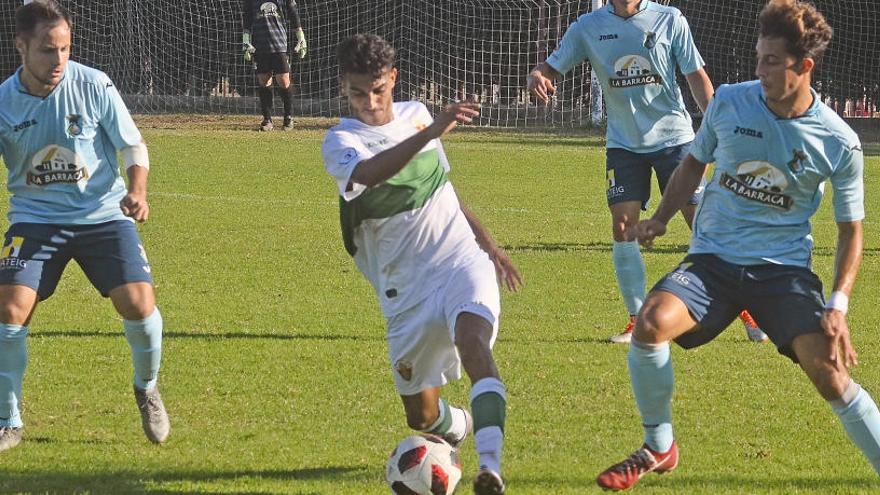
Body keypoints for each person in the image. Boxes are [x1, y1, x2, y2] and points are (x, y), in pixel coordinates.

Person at [595, 0, 880, 490]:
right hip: (712, 262)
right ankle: (660, 445)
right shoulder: (729, 102)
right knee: (650, 323)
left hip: (782, 272)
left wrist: (838, 304)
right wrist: (661, 218)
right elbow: (692, 163)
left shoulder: (838, 140)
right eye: (758, 58)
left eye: (772, 62)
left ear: (804, 67)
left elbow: (851, 229)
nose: (760, 71)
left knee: (830, 373)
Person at [322, 34, 523, 495]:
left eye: (378, 90)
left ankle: (490, 468)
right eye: (357, 93)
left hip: (459, 262)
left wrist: (489, 246)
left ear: (393, 79)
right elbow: (370, 175)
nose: (369, 103)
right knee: (423, 417)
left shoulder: (418, 114)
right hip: (404, 290)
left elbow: (444, 190)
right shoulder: (341, 140)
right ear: (343, 87)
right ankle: (460, 423)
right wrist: (432, 132)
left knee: (474, 343)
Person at [526, 0, 768, 344]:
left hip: (675, 140)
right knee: (622, 227)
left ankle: (746, 306)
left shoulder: (669, 20)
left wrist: (719, 129)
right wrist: (537, 74)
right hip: (623, 144)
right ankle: (637, 320)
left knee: (703, 224)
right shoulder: (587, 26)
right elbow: (549, 68)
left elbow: (696, 76)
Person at [0, 0, 169, 452]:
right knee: (10, 311)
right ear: (21, 46)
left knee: (138, 305)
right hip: (34, 219)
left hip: (102, 216)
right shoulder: (2, 101)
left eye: (65, 49)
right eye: (46, 50)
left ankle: (146, 387)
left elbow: (133, 147)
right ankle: (8, 418)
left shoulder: (94, 85)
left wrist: (138, 191)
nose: (58, 61)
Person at [242, 0, 307, 131]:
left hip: (279, 44)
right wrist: (245, 39)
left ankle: (288, 117)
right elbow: (247, 17)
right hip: (260, 45)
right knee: (264, 80)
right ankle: (267, 120)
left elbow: (293, 13)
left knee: (283, 80)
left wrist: (301, 36)